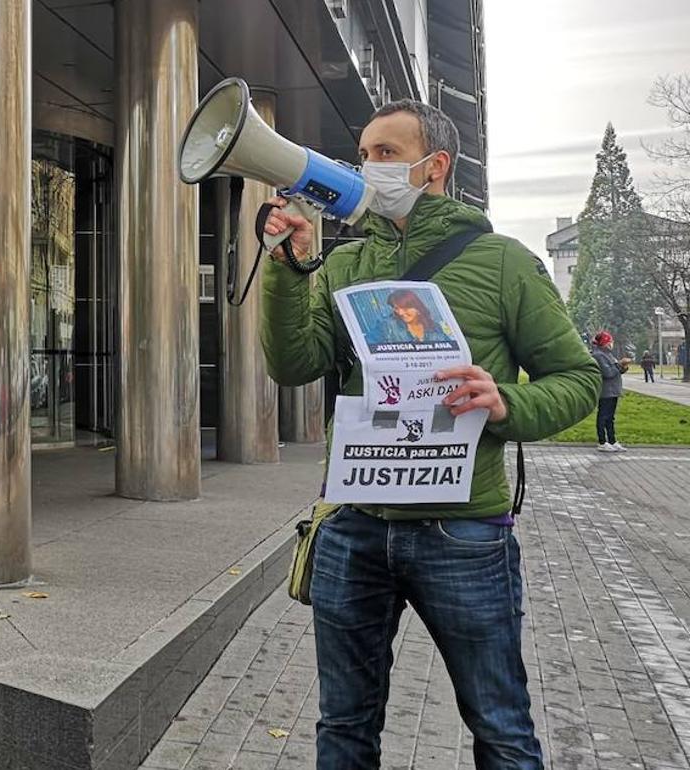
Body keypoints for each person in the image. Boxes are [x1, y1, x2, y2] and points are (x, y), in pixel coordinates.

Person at [261, 99, 599, 769]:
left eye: (386, 153)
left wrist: (507, 403)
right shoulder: (346, 265)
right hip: (354, 524)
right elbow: (293, 363)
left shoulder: (504, 263)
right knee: (343, 727)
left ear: (434, 166)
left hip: (462, 532)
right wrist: (288, 267)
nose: (368, 166)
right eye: (364, 154)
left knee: (501, 726)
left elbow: (578, 378)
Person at [590, 331, 627, 452]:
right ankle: (602, 441)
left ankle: (612, 440)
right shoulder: (598, 356)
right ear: (604, 343)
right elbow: (608, 373)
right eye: (610, 341)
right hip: (605, 392)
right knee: (603, 416)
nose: (612, 343)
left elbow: (615, 371)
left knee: (610, 418)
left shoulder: (608, 354)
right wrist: (618, 365)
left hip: (613, 391)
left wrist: (623, 367)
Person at [381, 288, 450, 344]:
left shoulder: (435, 328)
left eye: (405, 308)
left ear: (417, 308)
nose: (400, 313)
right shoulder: (387, 325)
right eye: (396, 308)